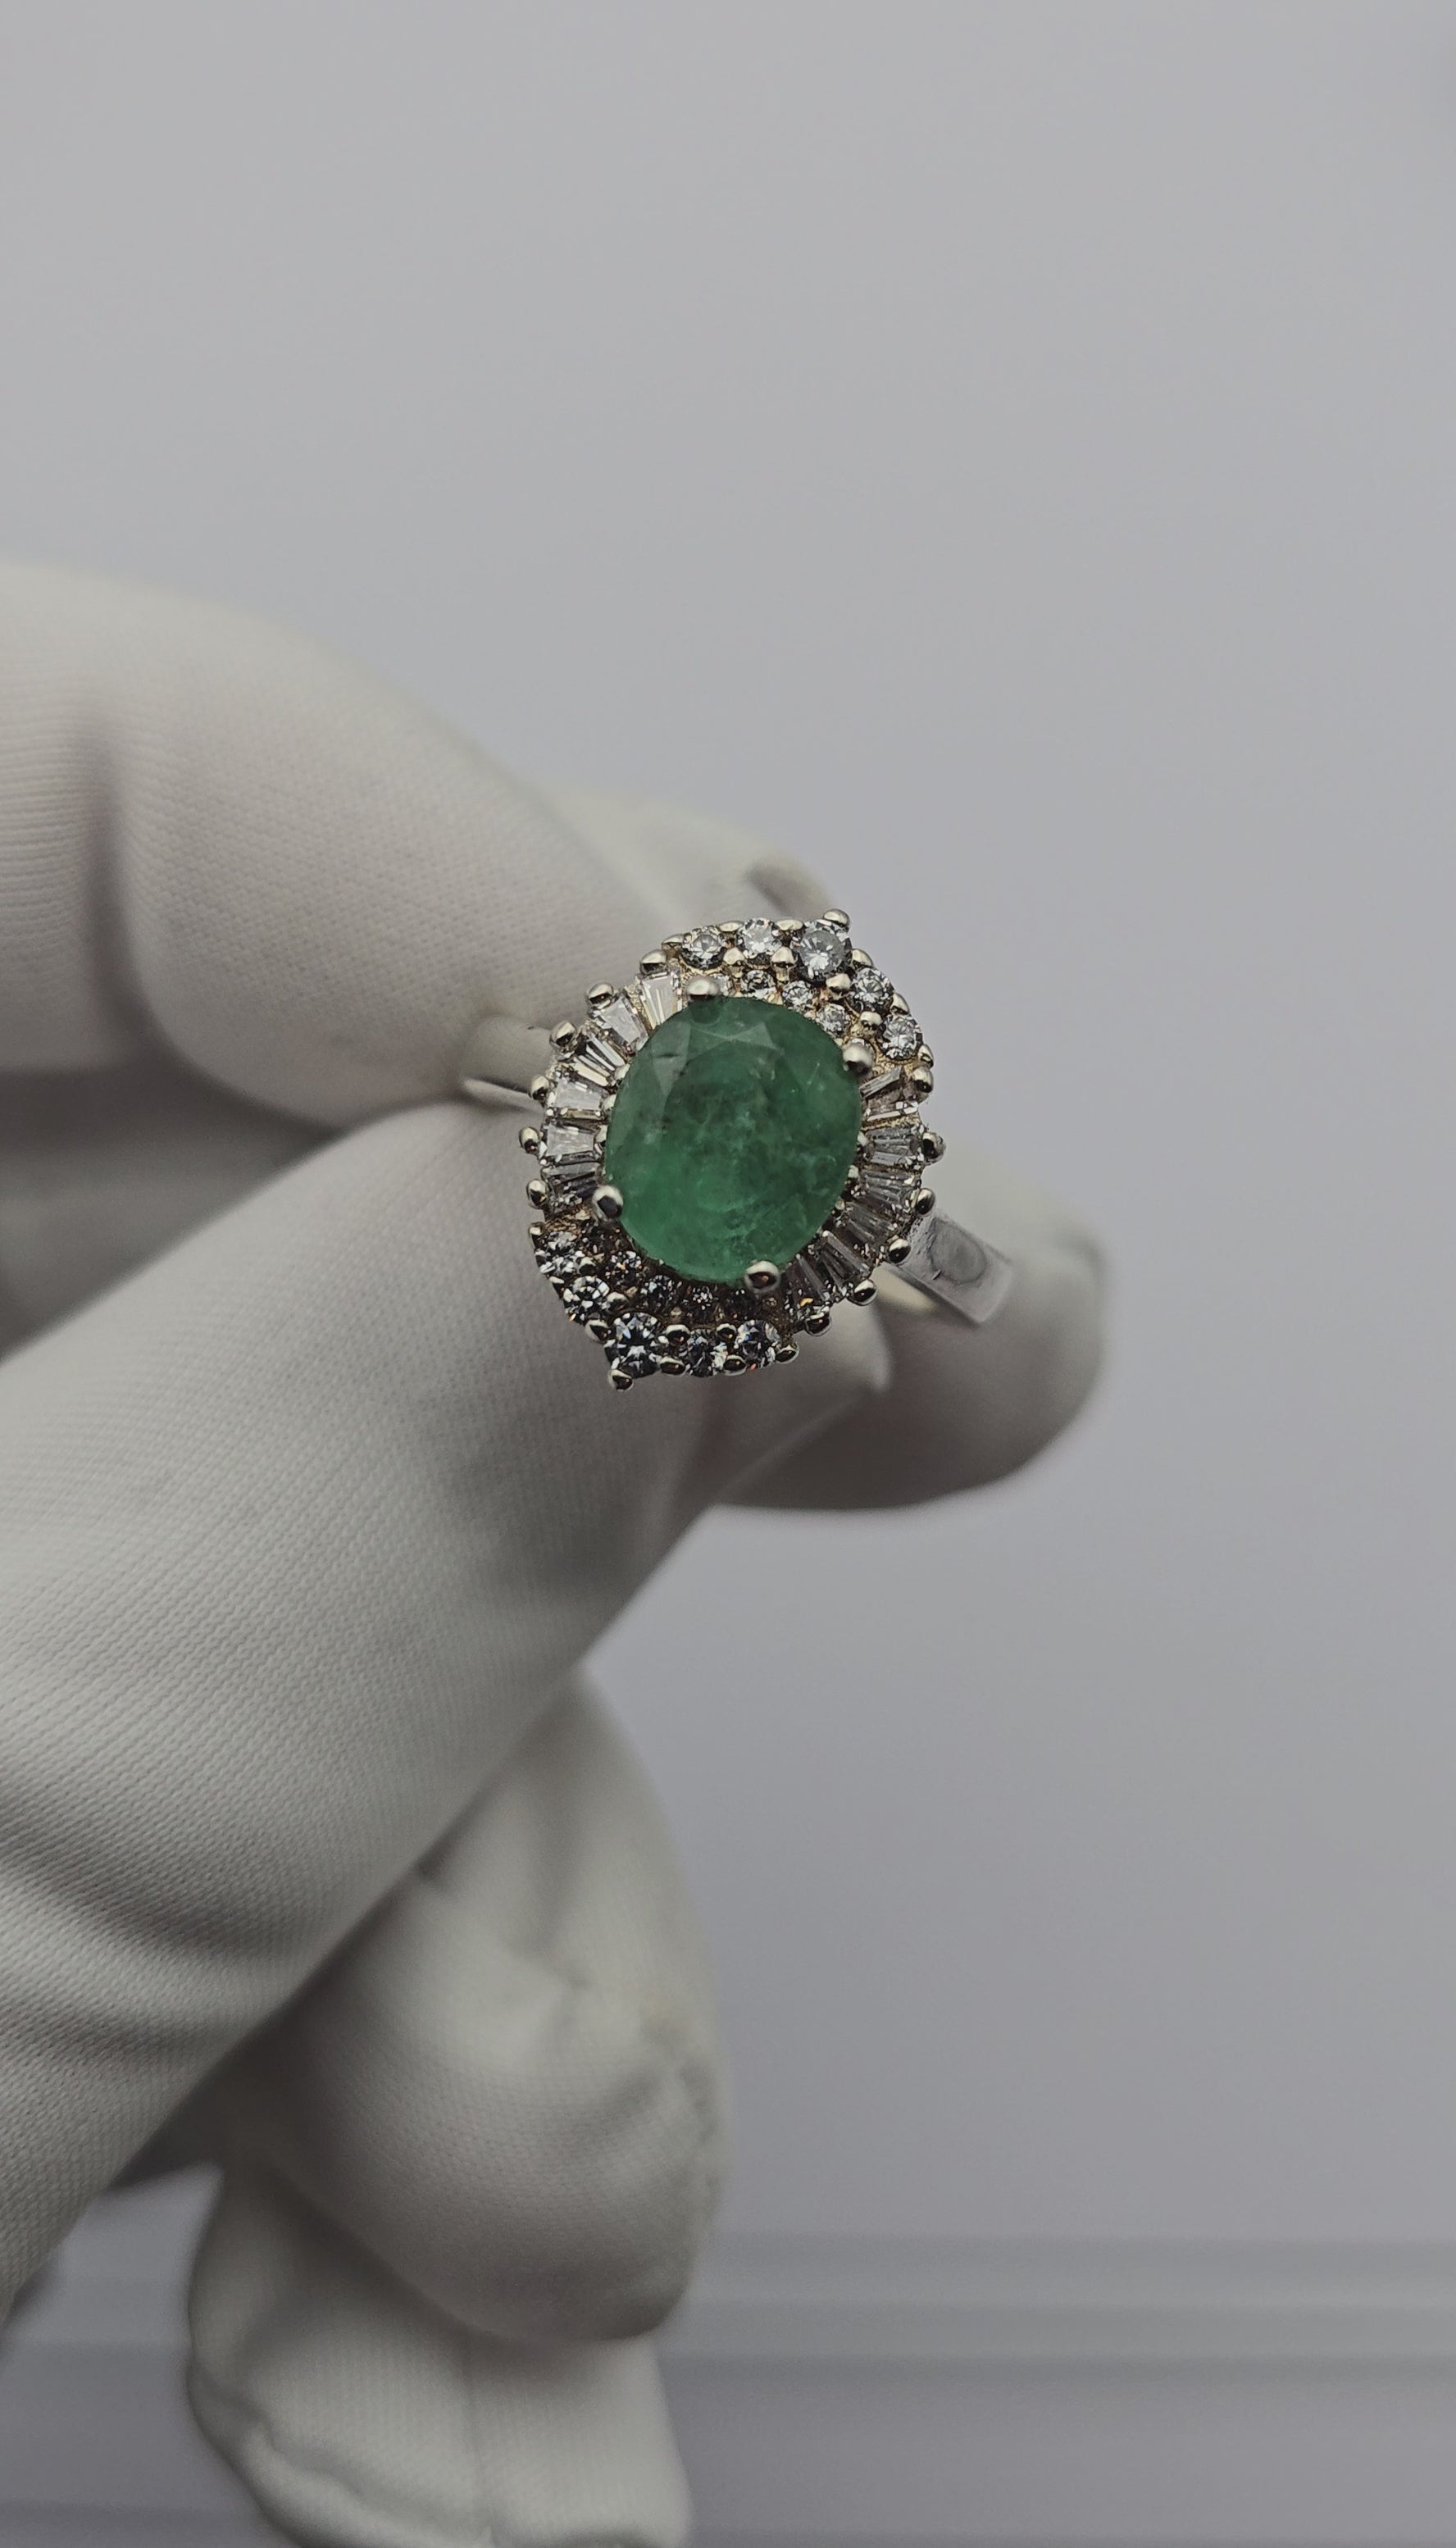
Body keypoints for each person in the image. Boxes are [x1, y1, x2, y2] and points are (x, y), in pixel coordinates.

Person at [0, 560, 1104, 2546]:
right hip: (619, 1167)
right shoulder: (591, 1152)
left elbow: (970, 1284)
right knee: (536, 2140)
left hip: (698, 1170)